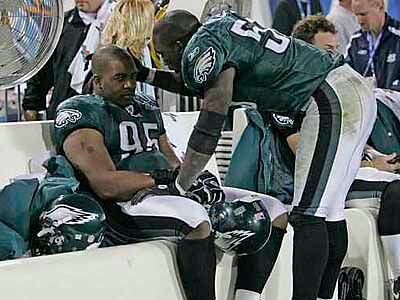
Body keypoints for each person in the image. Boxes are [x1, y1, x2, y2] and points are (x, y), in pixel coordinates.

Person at [136, 9, 376, 300]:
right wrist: (146, 75)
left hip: (327, 97)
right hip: (347, 88)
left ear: (178, 45)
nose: (163, 60)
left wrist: (181, 184)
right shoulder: (218, 31)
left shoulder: (205, 46)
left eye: (161, 53)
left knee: (308, 217)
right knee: (329, 212)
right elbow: (199, 83)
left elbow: (210, 121)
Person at [53, 44, 288, 300]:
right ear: (97, 81)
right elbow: (105, 184)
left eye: (132, 77)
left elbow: (171, 160)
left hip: (165, 191)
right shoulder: (81, 111)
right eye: (120, 78)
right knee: (196, 219)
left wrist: (194, 178)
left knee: (273, 209)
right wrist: (162, 179)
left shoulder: (145, 105)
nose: (130, 85)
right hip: (124, 205)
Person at [289, 16, 400, 298]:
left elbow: (348, 140)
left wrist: (375, 156)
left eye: (336, 50)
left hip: (344, 171)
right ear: (304, 50)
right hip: (312, 180)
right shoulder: (291, 92)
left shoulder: (335, 87)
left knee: (334, 213)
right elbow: (305, 147)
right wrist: (369, 162)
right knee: (394, 193)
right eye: (327, 51)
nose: (334, 57)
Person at [22, 0, 114, 120]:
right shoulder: (59, 26)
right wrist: (31, 106)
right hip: (64, 116)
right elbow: (42, 73)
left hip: (107, 118)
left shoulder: (119, 24)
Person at [101, 0, 156, 98]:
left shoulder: (142, 49)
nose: (155, 22)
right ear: (140, 22)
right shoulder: (120, 56)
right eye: (151, 19)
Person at [346, 0, 400, 91]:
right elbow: (346, 76)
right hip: (366, 102)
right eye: (356, 15)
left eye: (363, 14)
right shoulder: (355, 41)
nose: (359, 21)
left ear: (380, 6)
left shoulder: (397, 37)